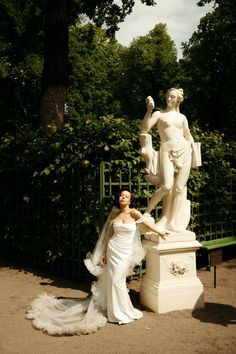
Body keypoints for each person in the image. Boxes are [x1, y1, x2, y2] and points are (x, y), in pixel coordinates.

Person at [26, 188, 166, 335]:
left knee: (118, 280)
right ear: (119, 199)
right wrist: (104, 253)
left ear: (130, 200)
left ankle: (124, 311)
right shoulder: (115, 215)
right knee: (114, 281)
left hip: (125, 253)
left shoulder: (134, 213)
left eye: (126, 196)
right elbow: (108, 236)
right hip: (113, 250)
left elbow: (146, 225)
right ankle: (117, 313)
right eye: (121, 196)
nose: (123, 197)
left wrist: (160, 232)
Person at [139, 88, 201, 232]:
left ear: (177, 100)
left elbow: (188, 134)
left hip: (185, 151)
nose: (169, 99)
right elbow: (144, 130)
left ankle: (171, 222)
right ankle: (147, 212)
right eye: (167, 96)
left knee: (179, 189)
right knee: (167, 186)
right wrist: (148, 111)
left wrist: (193, 149)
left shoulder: (182, 117)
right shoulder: (159, 114)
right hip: (167, 151)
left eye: (172, 97)